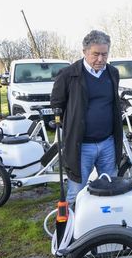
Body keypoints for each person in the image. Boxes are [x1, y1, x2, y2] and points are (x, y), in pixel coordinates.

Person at [50, 30, 123, 204]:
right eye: (95, 54)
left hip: (108, 143)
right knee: (77, 192)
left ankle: (105, 227)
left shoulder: (112, 73)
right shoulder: (69, 74)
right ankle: (72, 229)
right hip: (81, 146)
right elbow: (56, 102)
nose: (100, 59)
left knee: (109, 187)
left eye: (104, 54)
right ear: (85, 52)